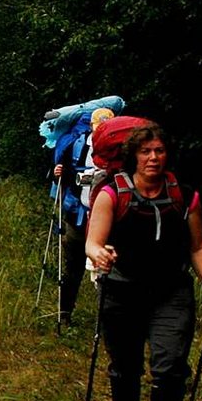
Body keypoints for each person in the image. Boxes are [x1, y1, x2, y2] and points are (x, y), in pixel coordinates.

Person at [84, 123, 202, 401]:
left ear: (167, 154)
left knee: (170, 367)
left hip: (171, 292)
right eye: (146, 152)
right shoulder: (111, 193)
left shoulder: (184, 195)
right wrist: (100, 255)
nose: (153, 158)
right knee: (126, 366)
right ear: (133, 155)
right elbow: (92, 241)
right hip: (122, 290)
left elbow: (197, 246)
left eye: (159, 151)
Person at [51, 107, 115, 324]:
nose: (101, 134)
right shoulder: (76, 145)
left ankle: (106, 321)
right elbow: (59, 174)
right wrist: (57, 173)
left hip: (108, 220)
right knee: (73, 267)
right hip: (77, 214)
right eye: (99, 129)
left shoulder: (120, 151)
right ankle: (64, 314)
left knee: (106, 270)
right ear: (91, 127)